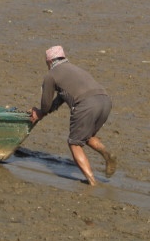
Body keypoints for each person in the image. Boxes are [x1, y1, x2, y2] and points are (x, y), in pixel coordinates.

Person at [29, 45, 117, 185]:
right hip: (105, 101)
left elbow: (45, 106)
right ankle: (107, 154)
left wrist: (40, 112)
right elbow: (61, 98)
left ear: (50, 62)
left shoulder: (51, 75)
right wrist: (44, 112)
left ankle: (92, 181)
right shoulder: (75, 69)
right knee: (86, 136)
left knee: (74, 143)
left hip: (86, 105)